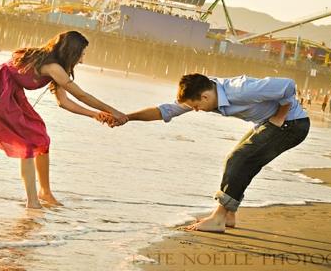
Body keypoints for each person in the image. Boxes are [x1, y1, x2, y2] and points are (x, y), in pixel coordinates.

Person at [114, 73, 310, 233]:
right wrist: (127, 118)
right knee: (240, 160)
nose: (196, 110)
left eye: (196, 106)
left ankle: (218, 218)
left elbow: (288, 85)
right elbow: (165, 111)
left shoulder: (240, 89)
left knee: (239, 159)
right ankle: (228, 215)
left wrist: (279, 116)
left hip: (292, 125)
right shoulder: (205, 92)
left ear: (205, 97)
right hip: (270, 124)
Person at [0, 30, 126, 209]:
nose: (82, 60)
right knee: (27, 142)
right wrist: (113, 111)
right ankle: (32, 201)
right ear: (72, 52)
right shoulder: (53, 67)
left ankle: (45, 193)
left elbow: (63, 102)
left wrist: (95, 115)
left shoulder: (56, 68)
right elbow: (81, 95)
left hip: (11, 92)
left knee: (41, 137)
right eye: (81, 55)